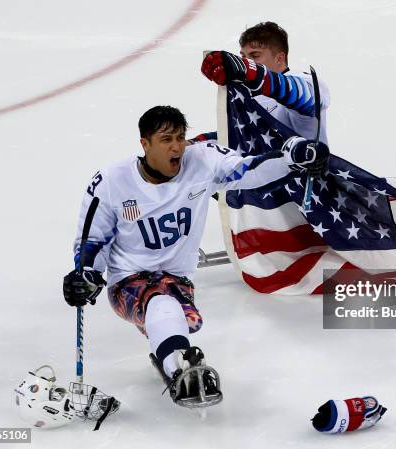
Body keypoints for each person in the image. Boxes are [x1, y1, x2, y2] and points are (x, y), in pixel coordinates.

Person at [62, 105, 328, 408]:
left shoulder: (202, 160)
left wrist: (291, 159)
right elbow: (92, 239)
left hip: (178, 278)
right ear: (144, 144)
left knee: (175, 311)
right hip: (128, 281)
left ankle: (169, 345)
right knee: (161, 302)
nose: (176, 147)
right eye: (165, 139)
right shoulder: (111, 182)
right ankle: (180, 369)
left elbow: (249, 171)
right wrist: (86, 273)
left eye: (179, 137)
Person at [201, 21, 330, 144]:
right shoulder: (251, 94)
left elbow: (307, 97)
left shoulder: (305, 81)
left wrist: (255, 73)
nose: (247, 62)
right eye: (243, 57)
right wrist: (193, 142)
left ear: (279, 58)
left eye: (255, 56)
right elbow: (239, 136)